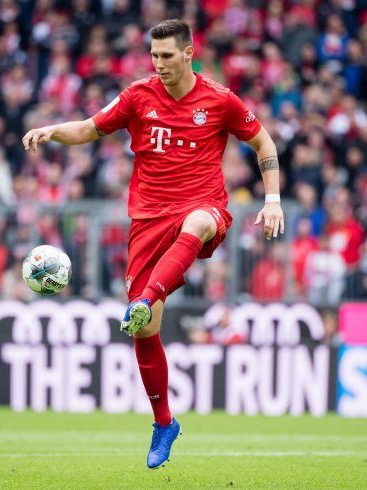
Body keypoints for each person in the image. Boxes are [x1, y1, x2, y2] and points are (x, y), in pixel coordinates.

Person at [23, 19, 284, 469]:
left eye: (167, 55)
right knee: (145, 332)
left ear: (188, 53)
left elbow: (263, 142)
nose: (159, 63)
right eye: (154, 55)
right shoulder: (137, 96)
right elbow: (88, 129)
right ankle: (164, 423)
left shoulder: (220, 100)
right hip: (147, 219)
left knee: (197, 225)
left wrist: (272, 199)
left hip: (202, 205)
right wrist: (52, 130)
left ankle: (145, 298)